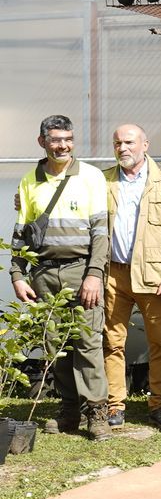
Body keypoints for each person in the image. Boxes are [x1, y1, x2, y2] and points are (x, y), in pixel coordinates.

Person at [12, 115, 112, 440]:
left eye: (68, 138)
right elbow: (21, 233)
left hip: (81, 271)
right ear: (42, 141)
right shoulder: (29, 181)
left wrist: (94, 274)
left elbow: (101, 232)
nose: (63, 145)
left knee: (88, 343)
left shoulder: (92, 177)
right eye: (55, 139)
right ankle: (69, 411)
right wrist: (17, 274)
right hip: (43, 276)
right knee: (57, 347)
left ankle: (97, 414)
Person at [101, 124, 161, 430]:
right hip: (113, 273)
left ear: (145, 145)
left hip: (153, 275)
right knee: (112, 342)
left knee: (160, 343)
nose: (122, 148)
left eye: (128, 142)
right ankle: (114, 405)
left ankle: (160, 405)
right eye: (117, 143)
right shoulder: (104, 181)